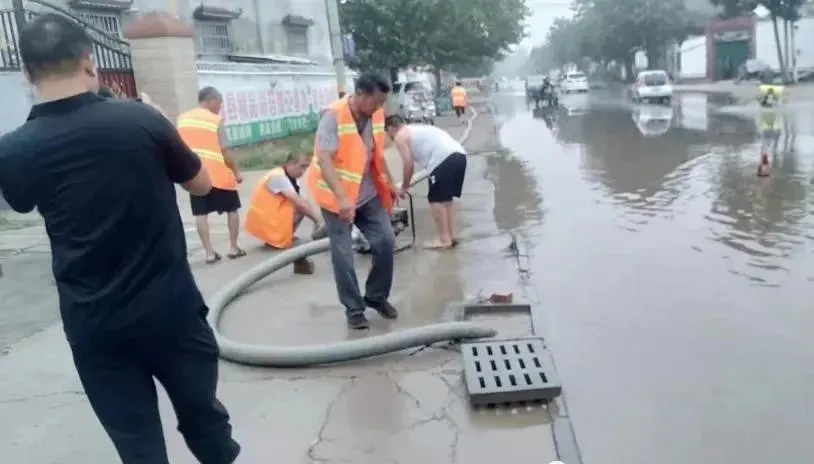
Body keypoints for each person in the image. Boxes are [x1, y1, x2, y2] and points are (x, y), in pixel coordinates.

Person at [0, 14, 239, 464]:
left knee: (138, 446)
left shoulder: (14, 149)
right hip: (172, 312)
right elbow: (204, 185)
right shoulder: (143, 122)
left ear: (26, 74)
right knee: (205, 421)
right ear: (89, 63)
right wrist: (162, 123)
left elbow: (22, 202)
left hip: (95, 324)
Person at [306, 72, 401, 330]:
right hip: (337, 197)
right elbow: (324, 158)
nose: (379, 107)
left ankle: (376, 297)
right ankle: (354, 309)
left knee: (385, 240)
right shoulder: (333, 116)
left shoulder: (376, 115)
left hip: (367, 195)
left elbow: (376, 155)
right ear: (360, 94)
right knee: (344, 255)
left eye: (382, 103)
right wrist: (341, 199)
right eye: (376, 102)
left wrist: (391, 183)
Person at [177, 87, 246, 264]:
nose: (220, 107)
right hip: (219, 174)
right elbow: (226, 151)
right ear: (211, 100)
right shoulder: (215, 120)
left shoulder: (182, 120)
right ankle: (233, 247)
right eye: (219, 103)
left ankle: (208, 253)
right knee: (232, 209)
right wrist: (236, 172)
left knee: (201, 213)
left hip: (196, 175)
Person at [384, 114, 467, 249]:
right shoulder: (417, 128)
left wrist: (404, 188)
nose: (389, 137)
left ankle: (444, 240)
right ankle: (451, 236)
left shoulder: (400, 136)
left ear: (391, 128)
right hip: (460, 156)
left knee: (435, 199)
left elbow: (408, 164)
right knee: (446, 199)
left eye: (387, 132)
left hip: (442, 159)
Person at [244, 151, 325, 248]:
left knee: (301, 204)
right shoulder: (278, 176)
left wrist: (317, 221)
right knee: (299, 207)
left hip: (266, 217)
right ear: (291, 163)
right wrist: (319, 221)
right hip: (264, 220)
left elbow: (303, 199)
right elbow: (300, 203)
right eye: (302, 166)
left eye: (306, 167)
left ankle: (285, 236)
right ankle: (277, 239)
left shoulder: (289, 177)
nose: (303, 171)